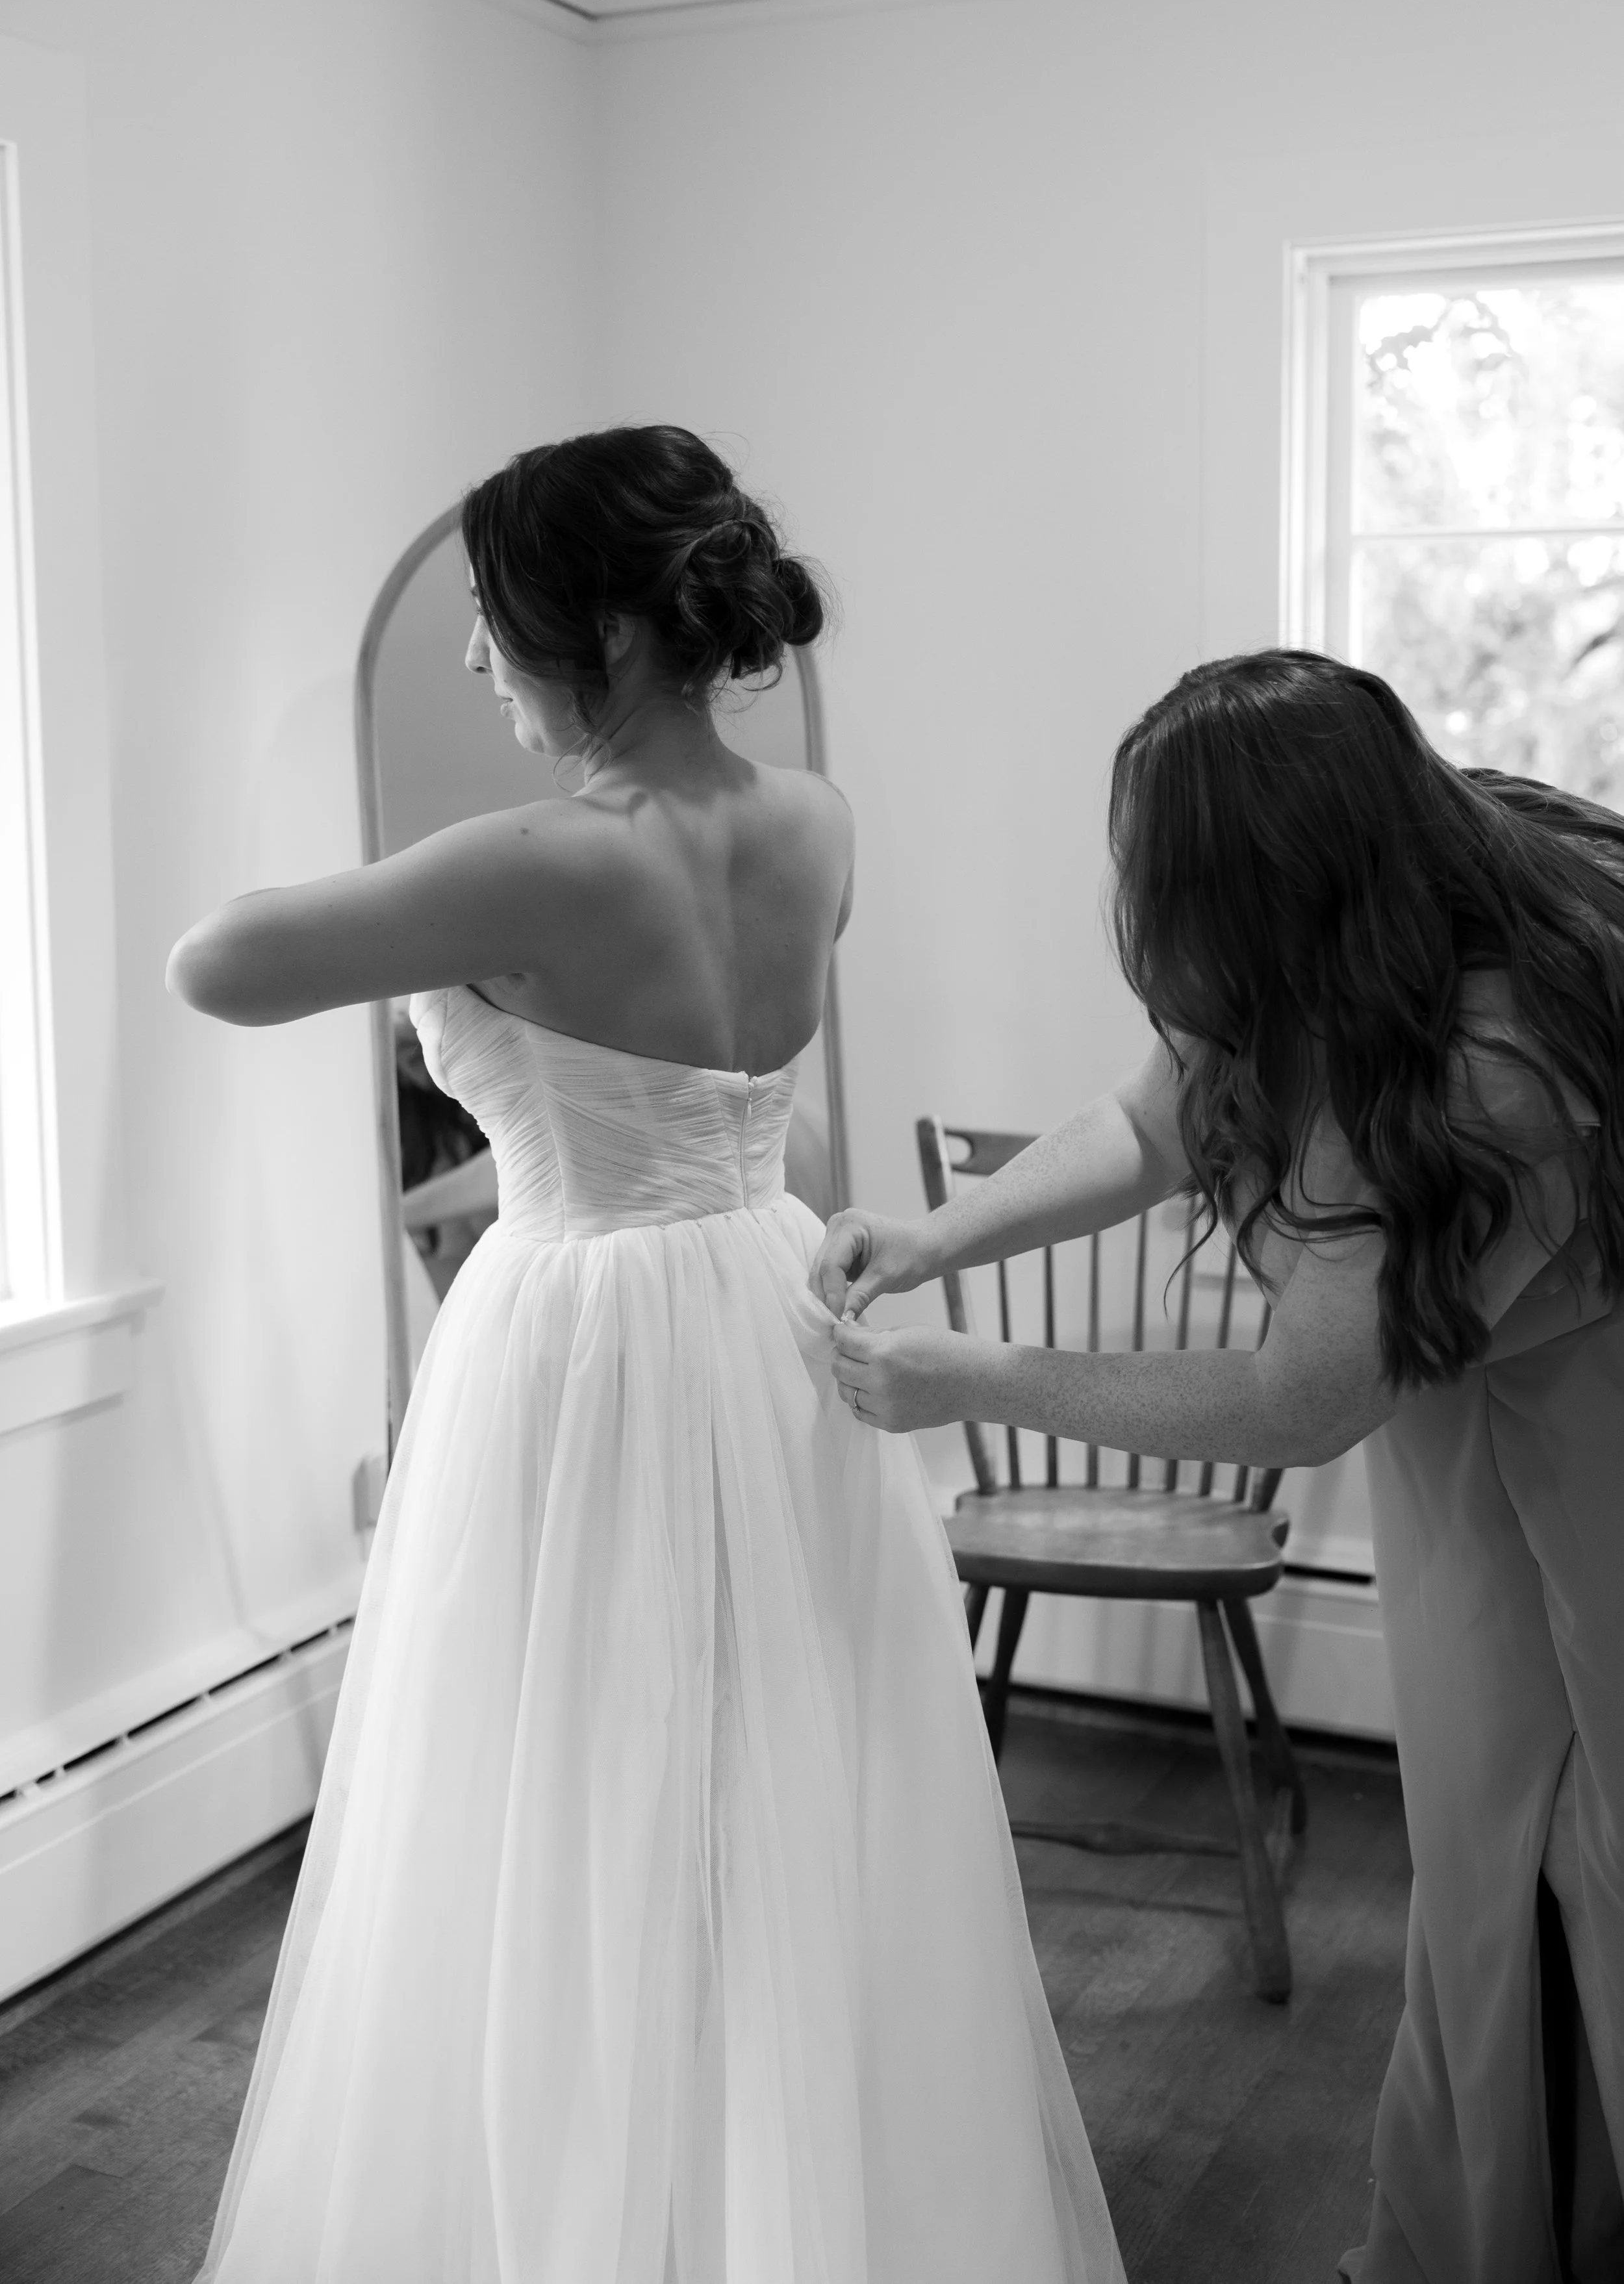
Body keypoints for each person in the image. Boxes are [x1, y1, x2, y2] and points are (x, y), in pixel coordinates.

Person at [169, 424, 1124, 2283]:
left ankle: (612, 2189)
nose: (469, 658)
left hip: (584, 1328)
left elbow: (216, 960)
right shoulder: (815, 820)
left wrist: (427, 897)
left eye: (488, 617)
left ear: (598, 629)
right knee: (769, 1755)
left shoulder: (525, 865)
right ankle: (776, 2182)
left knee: (574, 1774)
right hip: (765, 1299)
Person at [811, 650, 1624, 2284]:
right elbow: (1147, 1120)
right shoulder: (1323, 951)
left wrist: (970, 1372)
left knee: (1585, 1863)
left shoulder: (1484, 1063)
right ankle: (1478, 2229)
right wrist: (938, 1236)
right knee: (1476, 1861)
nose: (1132, 908)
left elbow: (1292, 1401)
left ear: (1270, 891)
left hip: (1594, 1446)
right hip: (1462, 1436)